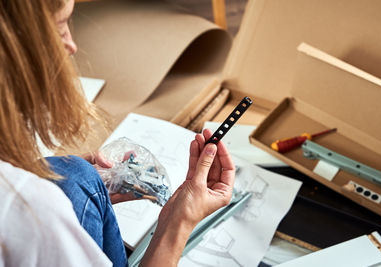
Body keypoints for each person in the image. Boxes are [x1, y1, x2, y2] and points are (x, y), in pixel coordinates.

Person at [0, 0, 235, 266]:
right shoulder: (33, 212)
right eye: (60, 30)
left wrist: (61, 178)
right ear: (15, 53)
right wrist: (178, 223)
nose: (72, 47)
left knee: (74, 174)